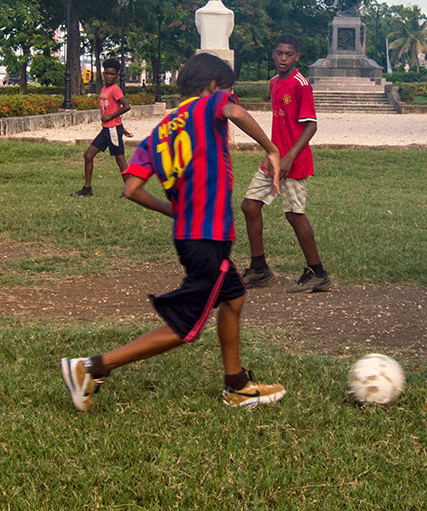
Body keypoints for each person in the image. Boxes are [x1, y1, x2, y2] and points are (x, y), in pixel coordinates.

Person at [60, 53, 286, 411]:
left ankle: (237, 384)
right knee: (186, 327)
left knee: (234, 297)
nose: (228, 97)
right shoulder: (208, 104)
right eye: (226, 89)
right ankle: (92, 367)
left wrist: (173, 210)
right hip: (206, 237)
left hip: (189, 235)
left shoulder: (161, 130)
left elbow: (131, 189)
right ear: (213, 85)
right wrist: (271, 148)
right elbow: (233, 111)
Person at [240, 34, 330, 294]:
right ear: (273, 54)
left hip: (294, 161)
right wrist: (273, 154)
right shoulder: (273, 83)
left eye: (288, 54)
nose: (283, 58)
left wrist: (289, 156)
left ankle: (318, 273)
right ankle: (259, 268)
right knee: (250, 205)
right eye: (279, 53)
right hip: (274, 159)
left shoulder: (301, 84)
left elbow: (311, 125)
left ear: (297, 57)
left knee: (294, 214)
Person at [71, 59, 130, 197]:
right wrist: (121, 126)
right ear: (103, 74)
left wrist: (112, 118)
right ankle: (87, 189)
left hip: (113, 129)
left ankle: (130, 190)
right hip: (106, 130)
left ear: (117, 76)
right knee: (88, 155)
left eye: (112, 74)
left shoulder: (115, 89)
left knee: (120, 159)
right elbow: (112, 107)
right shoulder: (104, 89)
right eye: (107, 73)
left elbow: (127, 106)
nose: (109, 76)